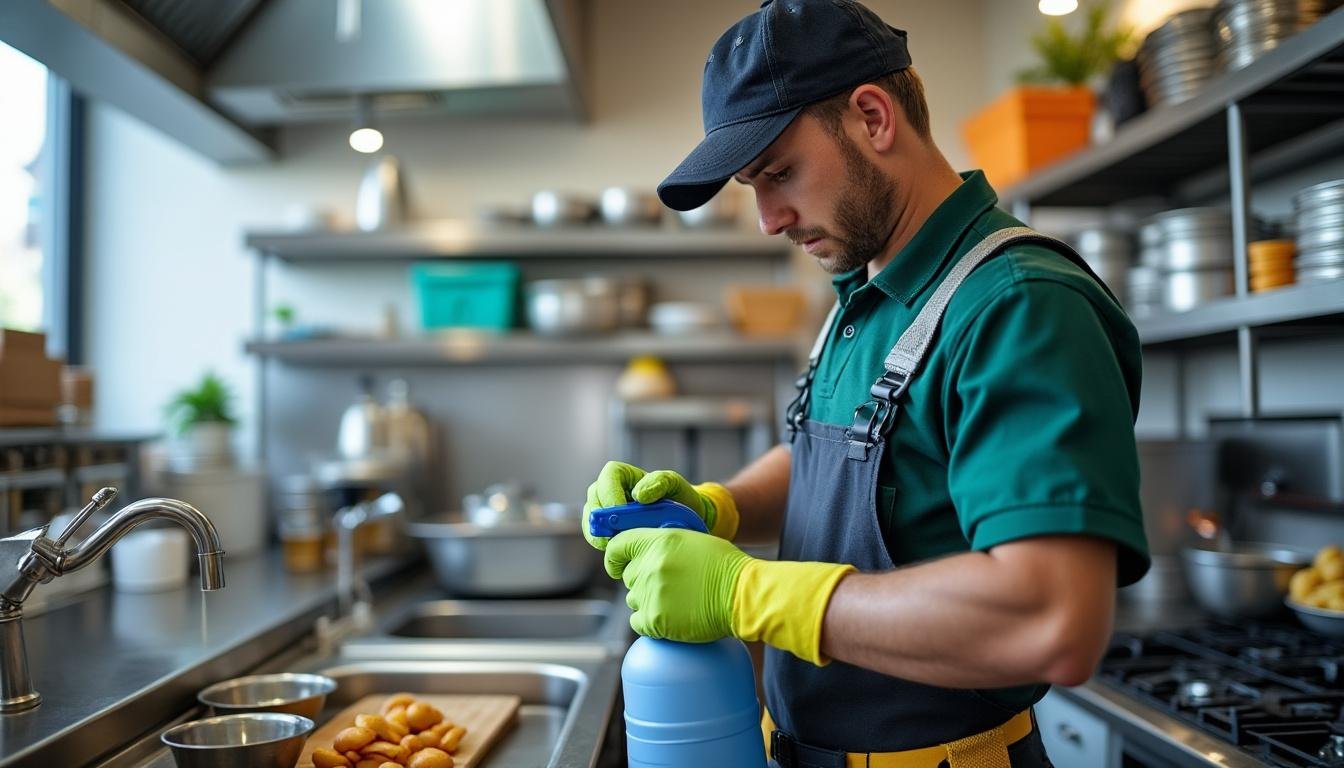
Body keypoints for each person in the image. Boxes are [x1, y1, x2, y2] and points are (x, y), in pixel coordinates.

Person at [581, 2, 1150, 766]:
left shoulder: (1018, 305)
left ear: (873, 118)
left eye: (779, 173)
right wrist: (716, 507)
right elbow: (834, 461)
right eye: (753, 185)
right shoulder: (861, 292)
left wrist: (747, 593)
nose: (768, 219)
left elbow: (1051, 619)